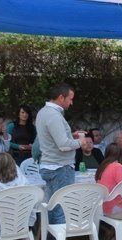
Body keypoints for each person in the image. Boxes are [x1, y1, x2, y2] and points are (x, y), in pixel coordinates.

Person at [35, 83, 88, 229]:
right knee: (62, 208)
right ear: (60, 97)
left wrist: (71, 135)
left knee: (53, 207)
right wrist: (80, 141)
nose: (72, 102)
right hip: (60, 167)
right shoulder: (54, 115)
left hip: (50, 164)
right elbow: (63, 145)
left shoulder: (43, 112)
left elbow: (53, 139)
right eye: (70, 99)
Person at [96, 143, 122, 217]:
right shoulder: (117, 166)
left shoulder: (102, 166)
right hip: (115, 206)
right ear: (120, 154)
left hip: (103, 205)